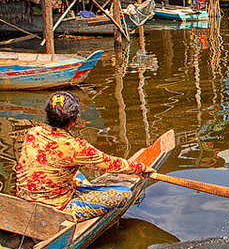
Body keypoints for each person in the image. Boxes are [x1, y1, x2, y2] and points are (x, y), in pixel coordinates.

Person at [16, 92, 154, 221]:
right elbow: (111, 164)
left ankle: (82, 190)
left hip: (24, 198)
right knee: (124, 193)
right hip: (55, 209)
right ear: (74, 120)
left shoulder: (33, 132)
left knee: (76, 174)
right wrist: (141, 168)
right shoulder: (75, 147)